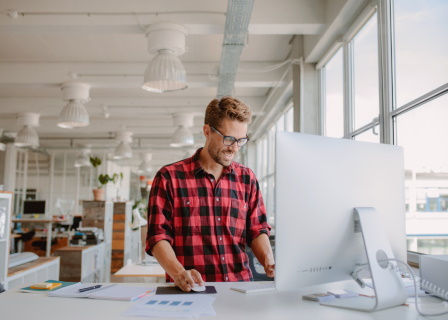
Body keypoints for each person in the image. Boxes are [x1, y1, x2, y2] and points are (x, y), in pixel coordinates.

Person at [146, 96, 275, 292]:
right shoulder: (169, 177)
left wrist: (269, 263)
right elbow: (157, 236)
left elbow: (257, 229)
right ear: (207, 131)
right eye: (229, 138)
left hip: (240, 289)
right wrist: (179, 272)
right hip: (191, 291)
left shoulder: (247, 178)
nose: (234, 147)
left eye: (241, 140)